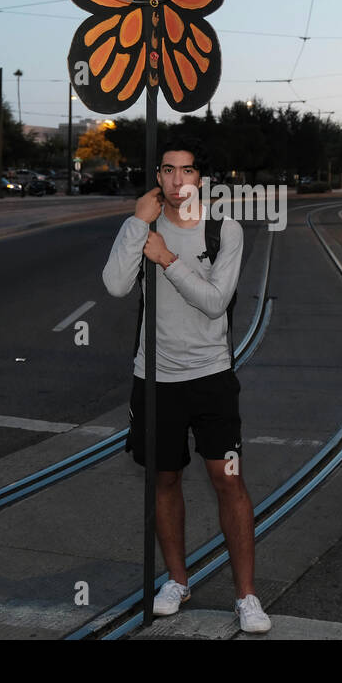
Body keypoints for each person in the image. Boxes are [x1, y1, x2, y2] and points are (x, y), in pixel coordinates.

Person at [102, 136, 270, 633]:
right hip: (154, 379)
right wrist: (137, 223)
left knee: (229, 480)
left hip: (212, 378)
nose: (179, 180)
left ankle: (247, 596)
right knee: (165, 479)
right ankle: (177, 580)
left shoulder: (224, 231)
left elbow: (216, 301)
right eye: (169, 171)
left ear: (202, 179)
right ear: (158, 177)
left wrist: (168, 261)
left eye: (188, 171)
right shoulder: (143, 227)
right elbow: (114, 285)